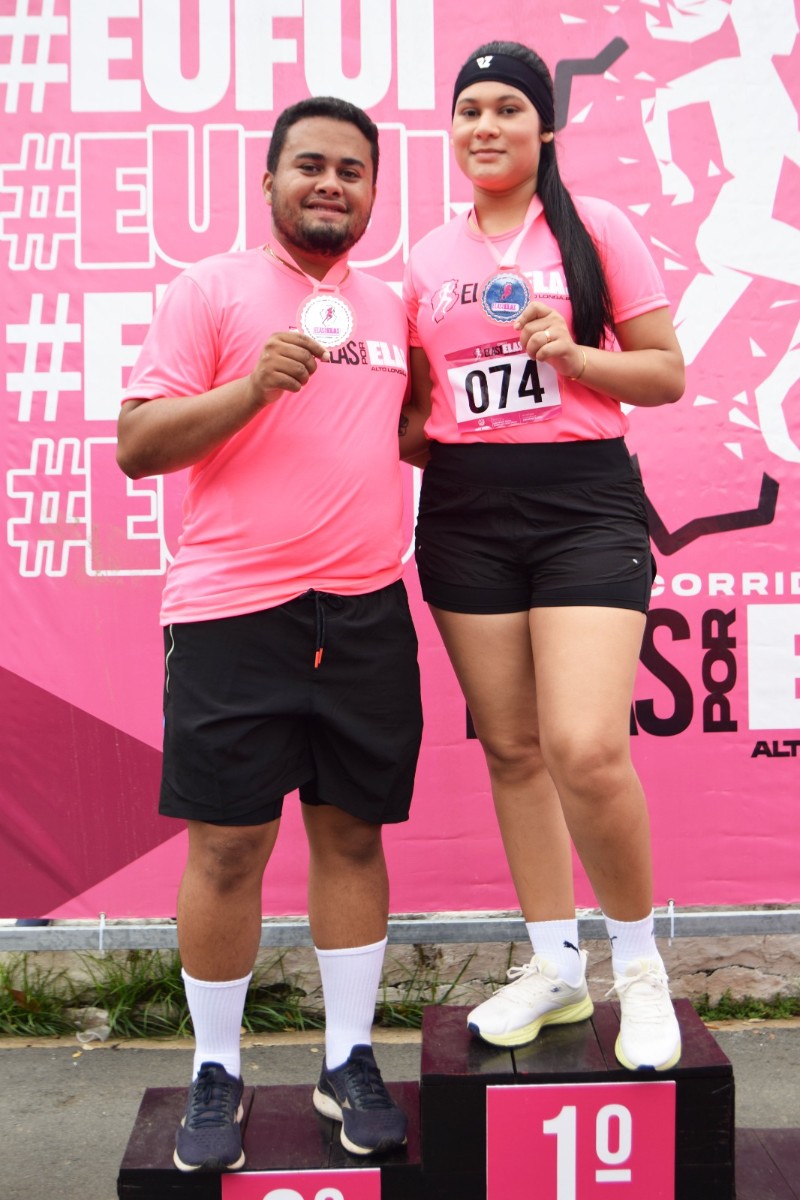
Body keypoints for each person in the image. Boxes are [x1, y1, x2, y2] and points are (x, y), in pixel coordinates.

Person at [116, 96, 422, 1171]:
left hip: (367, 611)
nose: (330, 183)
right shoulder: (208, 290)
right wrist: (251, 388)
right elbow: (138, 445)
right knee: (230, 846)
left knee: (349, 835)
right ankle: (216, 1068)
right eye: (309, 166)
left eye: (351, 169)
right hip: (230, 612)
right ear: (269, 180)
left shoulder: (393, 306)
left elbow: (423, 428)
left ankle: (346, 1056)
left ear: (374, 189)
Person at [403, 41, 685, 1071]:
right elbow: (412, 412)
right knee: (513, 749)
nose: (484, 126)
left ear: (544, 128)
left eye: (506, 109)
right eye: (468, 109)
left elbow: (663, 374)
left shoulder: (594, 229)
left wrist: (574, 358)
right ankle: (553, 967)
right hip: (466, 510)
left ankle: (639, 970)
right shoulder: (427, 259)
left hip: (583, 503)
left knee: (584, 748)